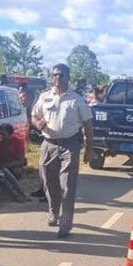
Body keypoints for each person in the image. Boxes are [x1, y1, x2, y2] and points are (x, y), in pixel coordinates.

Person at [32, 63, 94, 238]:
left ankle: (65, 224)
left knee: (67, 185)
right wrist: (37, 123)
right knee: (48, 181)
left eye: (61, 75)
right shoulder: (44, 97)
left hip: (70, 145)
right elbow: (34, 114)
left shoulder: (76, 99)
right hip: (48, 144)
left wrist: (89, 148)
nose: (57, 78)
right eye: (54, 75)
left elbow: (88, 124)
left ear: (68, 77)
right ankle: (54, 211)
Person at [0, 123, 31, 202]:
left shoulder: (17, 141)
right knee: (3, 176)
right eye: (0, 133)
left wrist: (2, 165)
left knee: (6, 172)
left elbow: (21, 160)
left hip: (4, 164)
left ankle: (22, 194)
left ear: (10, 135)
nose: (1, 136)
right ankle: (15, 195)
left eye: (4, 134)